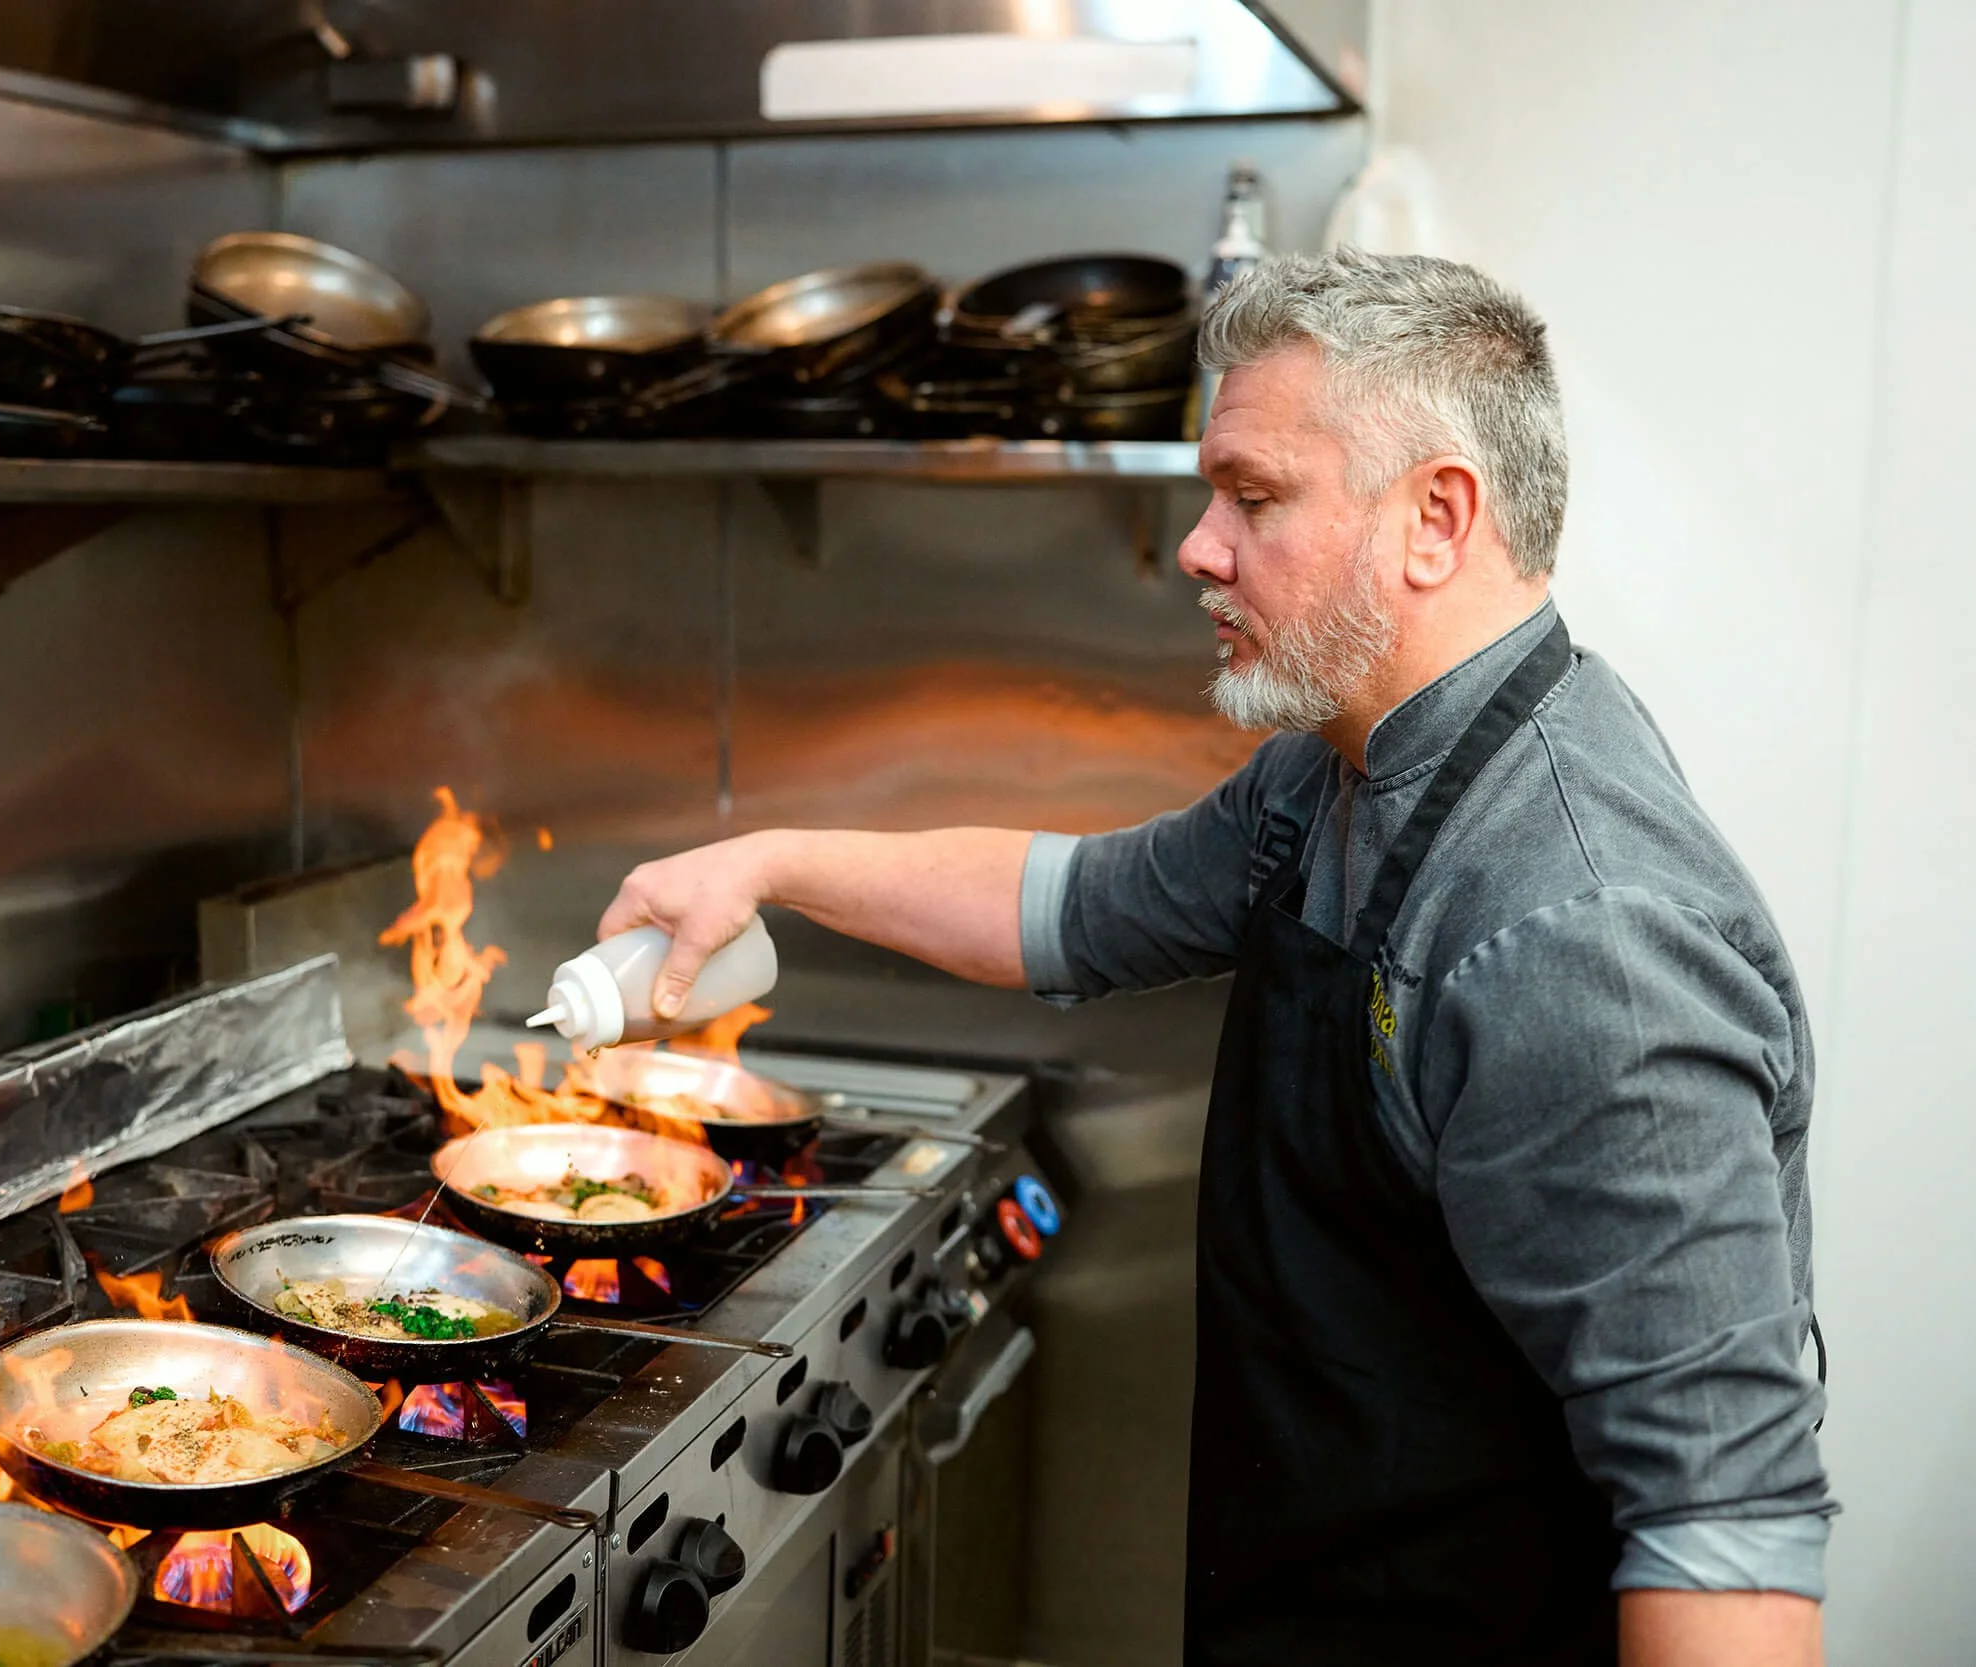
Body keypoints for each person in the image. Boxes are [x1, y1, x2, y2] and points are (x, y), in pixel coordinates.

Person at [595, 249, 1832, 1667]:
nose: (1199, 544)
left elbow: (1723, 1533)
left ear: (1437, 518)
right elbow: (1074, 902)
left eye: (1253, 496)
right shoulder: (1341, 771)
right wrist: (770, 863)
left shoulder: (1581, 935)